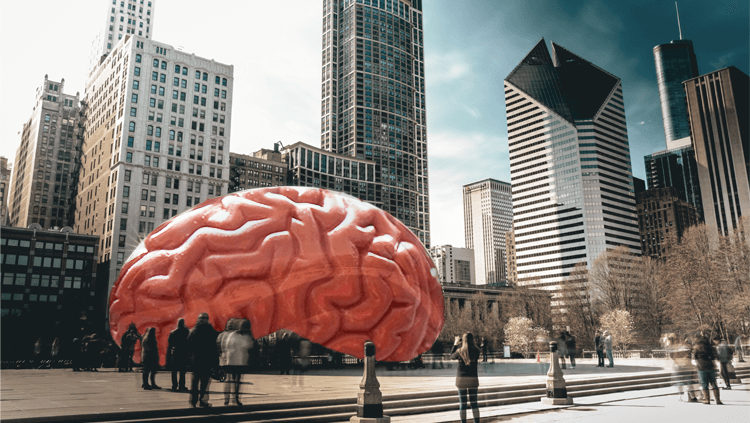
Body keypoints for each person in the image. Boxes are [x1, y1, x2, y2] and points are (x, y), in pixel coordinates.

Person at [221, 319, 255, 406]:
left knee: (234, 381)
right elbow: (248, 346)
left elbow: (248, 346)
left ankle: (232, 399)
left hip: (237, 361)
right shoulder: (236, 335)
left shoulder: (238, 335)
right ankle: (230, 399)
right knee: (233, 381)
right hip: (233, 361)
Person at [188, 313, 218, 408]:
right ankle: (202, 400)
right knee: (204, 381)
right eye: (202, 318)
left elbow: (188, 346)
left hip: (198, 359)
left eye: (204, 318)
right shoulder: (210, 330)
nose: (203, 320)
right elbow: (214, 347)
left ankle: (194, 401)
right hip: (205, 359)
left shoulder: (193, 330)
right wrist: (215, 362)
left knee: (196, 381)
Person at [450, 333, 480, 423]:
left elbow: (451, 356)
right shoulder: (476, 351)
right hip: (473, 380)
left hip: (462, 380)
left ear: (462, 340)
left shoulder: (459, 351)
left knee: (462, 404)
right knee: (474, 404)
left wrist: (455, 345)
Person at [692, 334, 722, 404]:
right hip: (710, 366)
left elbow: (695, 357)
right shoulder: (710, 347)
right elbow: (713, 357)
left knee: (704, 383)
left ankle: (707, 400)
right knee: (714, 383)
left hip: (701, 366)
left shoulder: (696, 347)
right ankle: (718, 400)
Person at [168, 318, 190, 391]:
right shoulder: (186, 331)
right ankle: (181, 385)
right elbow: (189, 341)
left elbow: (170, 344)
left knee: (174, 370)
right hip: (184, 352)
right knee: (182, 370)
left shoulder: (173, 332)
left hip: (175, 352)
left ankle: (174, 385)